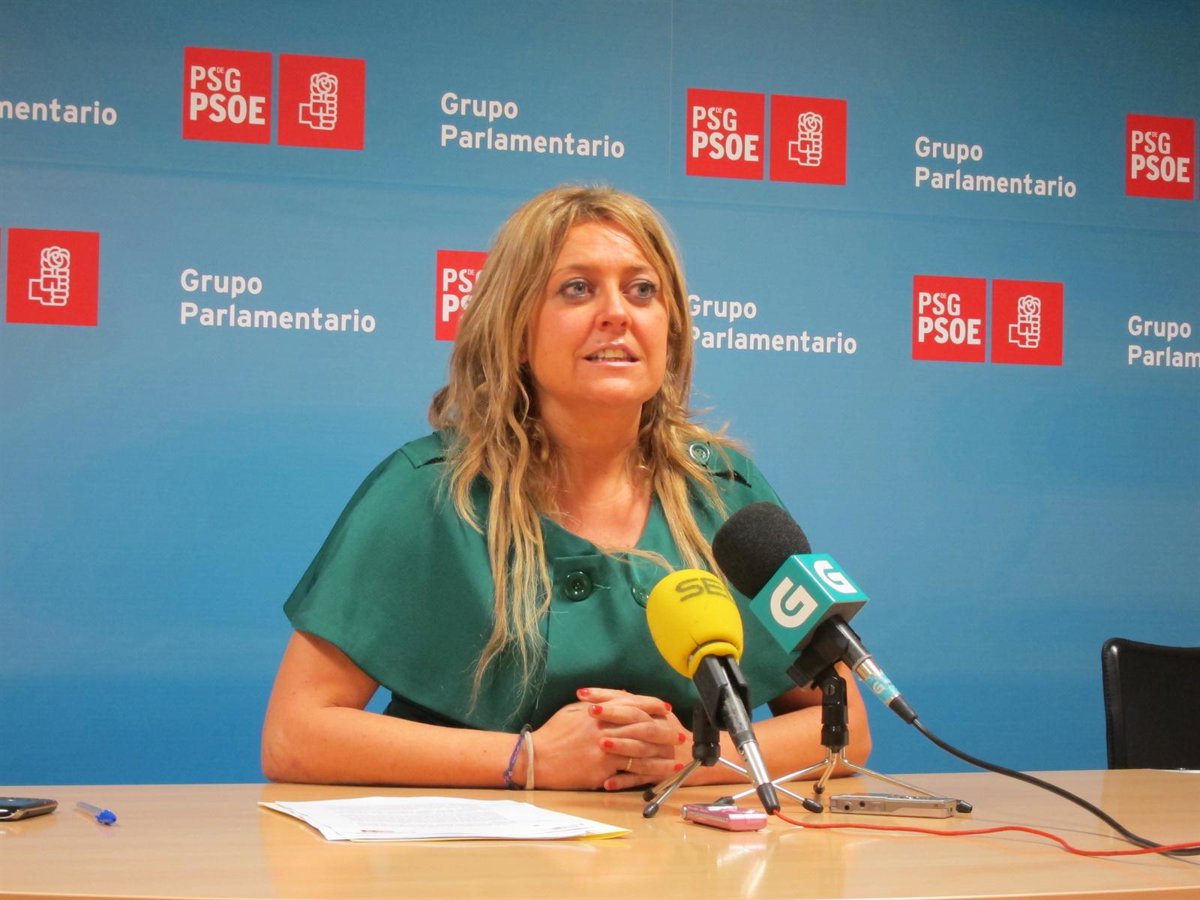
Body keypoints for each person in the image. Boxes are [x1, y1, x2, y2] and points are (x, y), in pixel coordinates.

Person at [261, 184, 871, 791]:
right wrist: (529, 759)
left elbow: (845, 728)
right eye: (577, 288)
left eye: (642, 290)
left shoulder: (726, 493)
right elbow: (296, 734)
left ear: (671, 329)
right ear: (516, 328)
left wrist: (692, 755)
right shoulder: (428, 492)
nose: (617, 313)